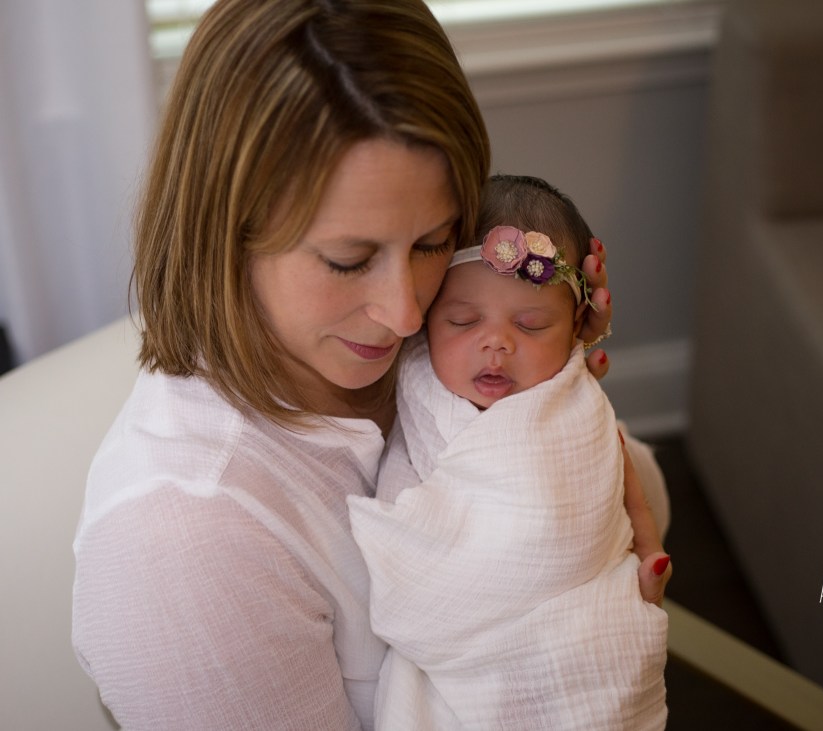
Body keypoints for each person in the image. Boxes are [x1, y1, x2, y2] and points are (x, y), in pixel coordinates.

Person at [71, 1, 671, 728]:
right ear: (225, 232)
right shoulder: (184, 551)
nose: (406, 313)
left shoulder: (444, 337)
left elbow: (647, 501)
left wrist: (558, 398)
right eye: (349, 260)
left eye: (431, 243)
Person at [348, 174, 668, 730]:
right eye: (463, 320)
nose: (496, 342)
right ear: (424, 323)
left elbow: (579, 522)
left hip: (575, 634)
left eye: (531, 323)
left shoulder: (572, 410)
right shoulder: (418, 393)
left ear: (576, 331)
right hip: (456, 644)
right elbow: (407, 524)